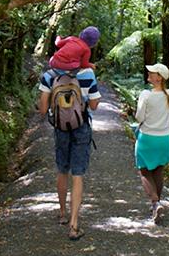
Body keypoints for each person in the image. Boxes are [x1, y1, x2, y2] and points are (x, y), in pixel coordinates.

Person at [37, 66, 100, 240]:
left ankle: (63, 213)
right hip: (81, 127)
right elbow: (94, 106)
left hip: (60, 128)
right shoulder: (87, 74)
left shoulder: (50, 75)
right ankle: (74, 224)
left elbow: (42, 109)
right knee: (78, 174)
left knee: (62, 169)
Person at [134, 63, 169, 224]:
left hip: (147, 137)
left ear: (159, 77)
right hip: (165, 138)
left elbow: (139, 118)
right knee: (159, 171)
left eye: (152, 72)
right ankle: (157, 204)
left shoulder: (146, 95)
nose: (149, 73)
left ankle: (155, 202)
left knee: (145, 171)